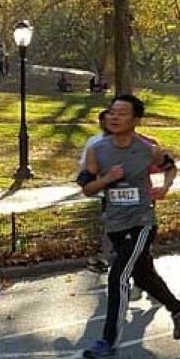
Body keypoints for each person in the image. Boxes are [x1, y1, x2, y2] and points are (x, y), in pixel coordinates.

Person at [77, 94, 180, 359]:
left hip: (142, 222)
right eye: (111, 112)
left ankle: (107, 342)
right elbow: (87, 188)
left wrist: (165, 186)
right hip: (115, 223)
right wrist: (106, 179)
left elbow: (171, 167)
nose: (114, 117)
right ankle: (178, 308)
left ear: (136, 120)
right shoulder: (98, 149)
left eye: (122, 113)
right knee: (142, 276)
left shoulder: (147, 149)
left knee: (118, 275)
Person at [80, 110, 112, 272]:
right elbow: (84, 166)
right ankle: (105, 257)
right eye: (106, 121)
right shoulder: (94, 142)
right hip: (104, 192)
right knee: (108, 223)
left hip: (127, 191)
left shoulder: (129, 140)